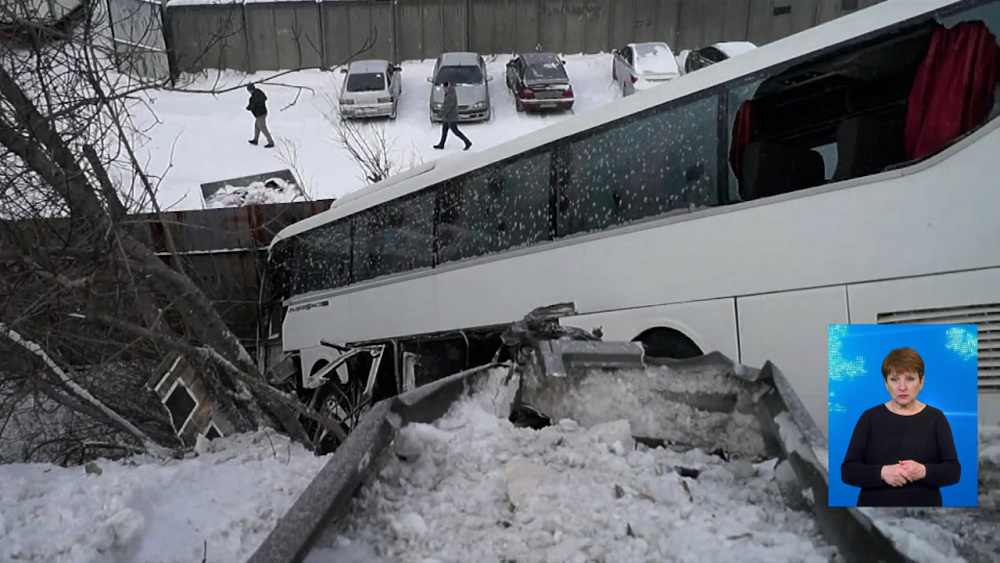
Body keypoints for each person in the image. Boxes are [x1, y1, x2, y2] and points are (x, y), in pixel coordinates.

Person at [840, 346, 961, 507]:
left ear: (921, 383)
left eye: (910, 379)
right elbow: (848, 471)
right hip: (874, 515)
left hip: (925, 515)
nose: (902, 387)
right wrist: (883, 473)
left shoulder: (936, 418)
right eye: (895, 379)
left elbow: (953, 471)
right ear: (886, 383)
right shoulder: (869, 418)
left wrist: (923, 471)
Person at [433, 81, 472, 151]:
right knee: (444, 130)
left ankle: (467, 142)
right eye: (443, 88)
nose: (444, 90)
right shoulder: (449, 93)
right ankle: (441, 144)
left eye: (445, 88)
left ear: (448, 87)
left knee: (455, 131)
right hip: (447, 117)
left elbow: (447, 108)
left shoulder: (450, 96)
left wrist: (440, 114)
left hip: (451, 117)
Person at [246, 83, 275, 148]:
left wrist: (249, 107)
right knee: (256, 126)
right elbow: (265, 98)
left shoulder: (253, 97)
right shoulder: (259, 92)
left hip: (260, 114)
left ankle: (271, 142)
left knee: (263, 128)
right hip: (263, 112)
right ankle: (255, 140)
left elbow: (252, 106)